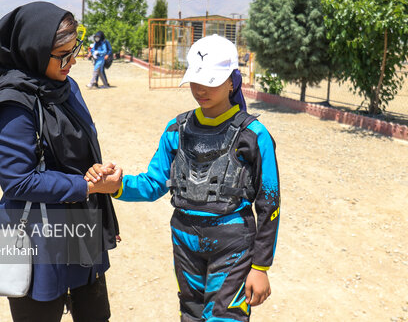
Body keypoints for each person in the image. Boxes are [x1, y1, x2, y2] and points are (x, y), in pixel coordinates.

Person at [89, 34, 280, 321]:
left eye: (211, 81)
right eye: (195, 80)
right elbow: (154, 183)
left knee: (225, 318)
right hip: (184, 241)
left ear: (232, 80)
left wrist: (261, 267)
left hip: (233, 244)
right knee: (190, 316)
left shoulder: (254, 136)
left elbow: (269, 203)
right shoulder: (176, 129)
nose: (200, 88)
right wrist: (117, 186)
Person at [0, 1, 122, 322]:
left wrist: (97, 179)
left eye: (75, 49)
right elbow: (17, 181)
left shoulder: (66, 88)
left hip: (80, 228)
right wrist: (85, 185)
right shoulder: (14, 103)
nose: (73, 60)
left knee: (95, 315)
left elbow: (80, 151)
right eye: (63, 54)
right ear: (34, 52)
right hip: (38, 240)